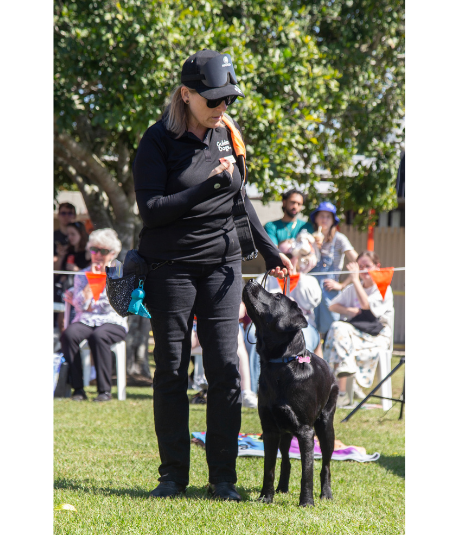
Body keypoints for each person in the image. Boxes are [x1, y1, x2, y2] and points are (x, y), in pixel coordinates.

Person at [132, 48, 293, 502]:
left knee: (225, 370)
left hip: (223, 269)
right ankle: (172, 476)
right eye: (214, 100)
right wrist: (209, 186)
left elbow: (242, 202)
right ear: (187, 95)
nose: (223, 108)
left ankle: (223, 478)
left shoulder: (229, 137)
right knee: (170, 370)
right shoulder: (157, 141)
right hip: (172, 269)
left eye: (229, 100)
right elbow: (152, 211)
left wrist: (268, 249)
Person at [57, 228, 128, 402]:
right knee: (69, 334)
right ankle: (78, 389)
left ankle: (104, 391)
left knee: (99, 336)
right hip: (86, 320)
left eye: (103, 251)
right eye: (94, 250)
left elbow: (114, 306)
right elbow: (81, 306)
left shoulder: (119, 272)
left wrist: (90, 298)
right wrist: (91, 286)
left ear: (112, 253)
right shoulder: (83, 274)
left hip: (113, 322)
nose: (97, 255)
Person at [321, 250, 394, 408]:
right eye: (360, 266)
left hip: (378, 336)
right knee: (337, 328)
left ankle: (338, 389)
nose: (363, 270)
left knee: (338, 329)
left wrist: (354, 280)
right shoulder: (354, 287)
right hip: (357, 335)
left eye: (367, 266)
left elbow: (366, 304)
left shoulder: (383, 288)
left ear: (377, 266)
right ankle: (345, 382)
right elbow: (333, 305)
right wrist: (348, 311)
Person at [307, 201, 358, 358]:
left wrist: (342, 284)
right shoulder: (308, 238)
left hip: (330, 291)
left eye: (328, 216)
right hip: (310, 290)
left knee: (332, 328)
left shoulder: (340, 239)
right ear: (316, 219)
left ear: (333, 220)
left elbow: (358, 262)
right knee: (311, 327)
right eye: (321, 215)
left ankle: (331, 367)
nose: (324, 219)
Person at [266, 231, 323, 352]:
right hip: (271, 327)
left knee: (302, 340)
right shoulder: (265, 278)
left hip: (303, 326)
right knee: (253, 337)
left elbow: (309, 304)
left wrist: (301, 276)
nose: (285, 259)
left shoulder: (309, 279)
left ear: (297, 256)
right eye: (282, 254)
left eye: (290, 255)